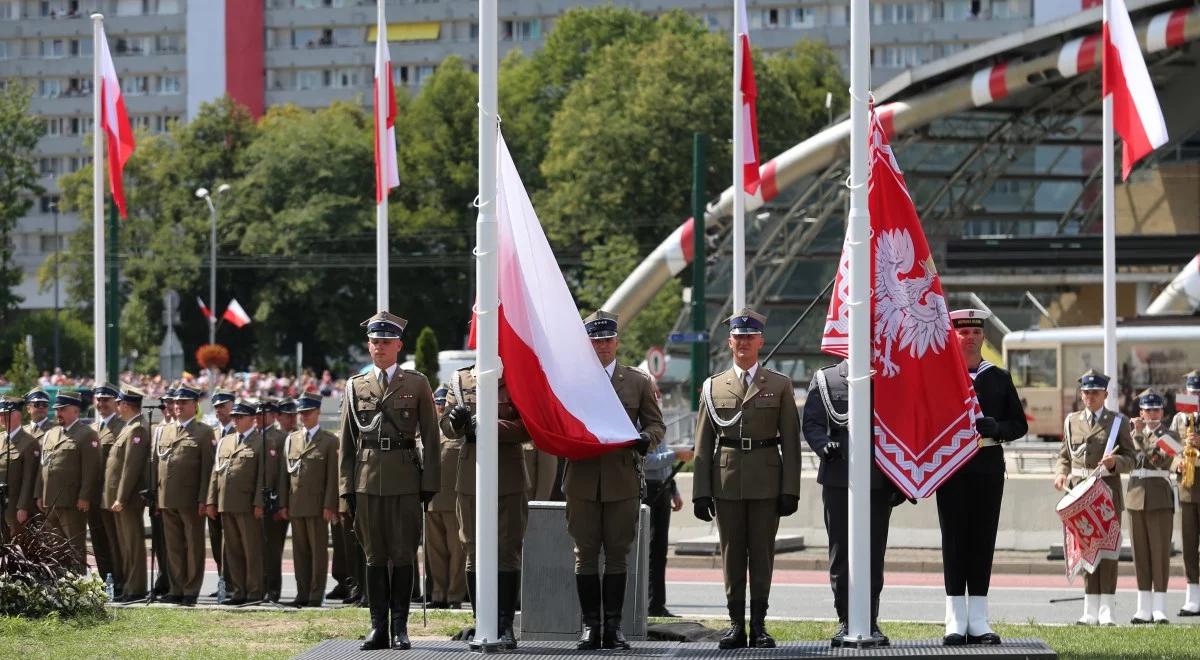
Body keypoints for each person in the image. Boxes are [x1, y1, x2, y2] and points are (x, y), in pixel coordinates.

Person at [693, 308, 801, 649]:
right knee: (732, 554)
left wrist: (790, 489)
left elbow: (792, 443)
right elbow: (702, 443)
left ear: (760, 342)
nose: (744, 342)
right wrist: (700, 491)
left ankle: (760, 625)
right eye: (738, 337)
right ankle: (736, 624)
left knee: (762, 555)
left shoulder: (780, 385)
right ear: (729, 342)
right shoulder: (713, 387)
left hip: (767, 482)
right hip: (726, 481)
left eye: (749, 337)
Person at [564, 310, 666, 650]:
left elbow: (656, 426)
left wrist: (644, 440)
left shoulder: (636, 381)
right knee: (586, 554)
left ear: (616, 342)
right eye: (595, 341)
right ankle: (590, 626)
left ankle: (614, 627)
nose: (602, 346)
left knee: (619, 554)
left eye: (607, 340)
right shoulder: (573, 381)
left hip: (622, 478)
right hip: (582, 478)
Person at [339, 311, 439, 650]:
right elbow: (347, 443)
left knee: (404, 553)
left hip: (406, 478)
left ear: (399, 345)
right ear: (368, 346)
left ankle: (400, 626)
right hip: (367, 480)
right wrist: (346, 487)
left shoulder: (417, 383)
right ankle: (377, 626)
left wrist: (430, 483)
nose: (379, 347)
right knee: (374, 556)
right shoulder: (355, 386)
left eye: (385, 342)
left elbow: (432, 436)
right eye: (374, 342)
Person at [937, 309, 1028, 645]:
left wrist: (998, 428)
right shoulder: (943, 376)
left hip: (988, 465)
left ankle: (979, 620)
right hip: (951, 467)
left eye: (976, 332)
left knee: (982, 540)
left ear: (984, 337)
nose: (971, 337)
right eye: (964, 333)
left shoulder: (999, 377)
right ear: (954, 337)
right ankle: (954, 620)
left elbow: (1019, 424)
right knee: (954, 541)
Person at [803, 359, 900, 646]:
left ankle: (869, 619)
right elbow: (812, 422)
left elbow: (900, 424)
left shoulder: (889, 375)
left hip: (877, 480)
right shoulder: (827, 378)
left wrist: (901, 478)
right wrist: (823, 446)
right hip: (838, 477)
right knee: (840, 553)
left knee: (873, 553)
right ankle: (845, 618)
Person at [441, 362, 529, 648]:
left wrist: (489, 425)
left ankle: (504, 624)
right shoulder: (461, 378)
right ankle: (482, 621)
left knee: (507, 548)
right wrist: (456, 423)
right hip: (471, 472)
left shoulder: (517, 372)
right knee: (473, 548)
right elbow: (446, 426)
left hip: (508, 473)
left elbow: (529, 425)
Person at [1054, 369, 1135, 626]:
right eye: (1086, 392)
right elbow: (1064, 456)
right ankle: (1090, 608)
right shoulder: (1071, 421)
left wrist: (1115, 463)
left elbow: (1132, 460)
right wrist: (1060, 473)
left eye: (1095, 393)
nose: (1089, 396)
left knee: (1108, 552)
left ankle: (1107, 609)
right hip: (1080, 495)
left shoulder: (1118, 422)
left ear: (1105, 394)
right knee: (1086, 549)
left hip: (1106, 495)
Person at [155, 384, 215, 606]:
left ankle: (191, 589)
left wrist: (204, 499)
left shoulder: (204, 432)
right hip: (167, 498)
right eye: (176, 403)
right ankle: (176, 588)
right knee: (173, 548)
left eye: (183, 403)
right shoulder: (164, 430)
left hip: (191, 501)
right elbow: (157, 465)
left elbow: (208, 469)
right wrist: (156, 496)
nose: (178, 406)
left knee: (193, 546)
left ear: (195, 405)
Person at [279, 392, 339, 607]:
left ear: (318, 413)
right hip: (296, 505)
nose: (303, 416)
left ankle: (315, 594)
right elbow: (285, 475)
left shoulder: (330, 441)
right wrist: (284, 503)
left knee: (318, 553)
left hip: (317, 505)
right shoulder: (292, 439)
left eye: (308, 412)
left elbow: (333, 476)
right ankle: (302, 593)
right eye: (301, 413)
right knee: (300, 552)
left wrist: (330, 504)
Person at [206, 400, 264, 605]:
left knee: (251, 550)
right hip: (226, 503)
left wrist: (259, 503)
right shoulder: (225, 441)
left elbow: (262, 477)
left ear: (252, 419)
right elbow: (216, 472)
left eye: (240, 417)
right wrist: (211, 501)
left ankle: (255, 591)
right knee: (232, 551)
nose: (236, 421)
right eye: (235, 417)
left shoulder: (260, 441)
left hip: (247, 505)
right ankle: (238, 591)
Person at [37, 391, 101, 571]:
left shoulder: (86, 434)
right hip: (51, 501)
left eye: (63, 409)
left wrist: (84, 497)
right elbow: (43, 467)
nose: (58, 413)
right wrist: (40, 494)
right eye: (57, 409)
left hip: (72, 502)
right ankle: (59, 585)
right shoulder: (51, 434)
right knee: (54, 547)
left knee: (74, 547)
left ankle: (77, 586)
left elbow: (91, 470)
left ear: (75, 410)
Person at [1128, 389, 1177, 624]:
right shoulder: (1131, 434)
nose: (1152, 413)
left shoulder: (1171, 435)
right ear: (1141, 412)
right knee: (1141, 555)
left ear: (1163, 412)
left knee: (1159, 554)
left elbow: (1158, 460)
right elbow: (1126, 460)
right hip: (1135, 498)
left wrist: (1138, 436)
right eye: (1147, 410)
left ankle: (1159, 608)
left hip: (1159, 499)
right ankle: (1143, 607)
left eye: (1156, 409)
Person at [104, 386, 152, 602]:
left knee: (132, 544)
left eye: (118, 402)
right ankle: (130, 587)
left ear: (125, 404)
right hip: (120, 498)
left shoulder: (137, 429)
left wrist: (121, 498)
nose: (116, 406)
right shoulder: (129, 427)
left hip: (127, 499)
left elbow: (131, 468)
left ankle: (136, 589)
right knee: (125, 544)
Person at [426, 386, 466, 609]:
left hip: (453, 501)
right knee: (436, 552)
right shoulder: (427, 432)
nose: (439, 407)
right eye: (437, 403)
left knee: (456, 551)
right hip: (431, 502)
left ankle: (454, 595)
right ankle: (438, 593)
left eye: (443, 403)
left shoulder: (458, 434)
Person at [643, 437, 690, 618]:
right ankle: (649, 604)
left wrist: (673, 490)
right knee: (650, 551)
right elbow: (645, 461)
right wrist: (676, 455)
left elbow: (663, 463)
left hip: (663, 489)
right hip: (648, 490)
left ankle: (657, 605)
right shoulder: (640, 422)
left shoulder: (657, 421)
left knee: (660, 552)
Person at [1170, 369, 1200, 617]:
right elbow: (1170, 448)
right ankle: (1192, 597)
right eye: (1192, 392)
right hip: (1188, 487)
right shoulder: (1180, 419)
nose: (1196, 396)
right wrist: (1177, 461)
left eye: (1199, 392)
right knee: (1189, 544)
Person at [90, 383, 124, 596]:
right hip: (92, 496)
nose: (101, 403)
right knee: (98, 541)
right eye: (99, 400)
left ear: (116, 403)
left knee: (116, 541)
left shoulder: (122, 428)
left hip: (111, 495)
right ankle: (105, 581)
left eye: (106, 400)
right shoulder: (91, 429)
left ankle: (121, 581)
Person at [258, 399, 289, 603]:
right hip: (255, 502)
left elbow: (282, 475)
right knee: (258, 549)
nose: (260, 417)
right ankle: (258, 587)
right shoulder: (254, 437)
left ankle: (273, 589)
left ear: (274, 416)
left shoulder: (281, 438)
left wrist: (281, 503)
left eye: (265, 413)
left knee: (272, 550)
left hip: (273, 502)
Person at [207, 388, 236, 595]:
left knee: (232, 544)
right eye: (216, 407)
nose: (219, 410)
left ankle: (235, 583)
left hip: (232, 497)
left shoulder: (238, 432)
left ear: (232, 406)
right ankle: (222, 583)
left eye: (222, 406)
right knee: (217, 543)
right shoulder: (212, 433)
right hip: (213, 496)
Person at [0, 396, 38, 540]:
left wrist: (22, 507)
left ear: (17, 415)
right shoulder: (0, 438)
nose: (1, 418)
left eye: (5, 414)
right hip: (1, 504)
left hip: (14, 506)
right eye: (0, 414)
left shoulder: (29, 443)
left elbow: (29, 479)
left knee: (20, 546)